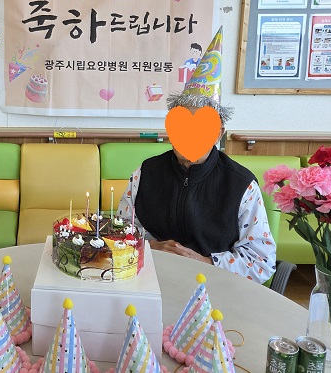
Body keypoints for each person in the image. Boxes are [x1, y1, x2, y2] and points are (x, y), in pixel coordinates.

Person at [118, 27, 275, 284]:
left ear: (218, 132)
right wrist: (151, 248)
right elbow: (121, 232)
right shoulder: (145, 173)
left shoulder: (241, 184)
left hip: (215, 285)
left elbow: (261, 262)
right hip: (152, 279)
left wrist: (204, 262)